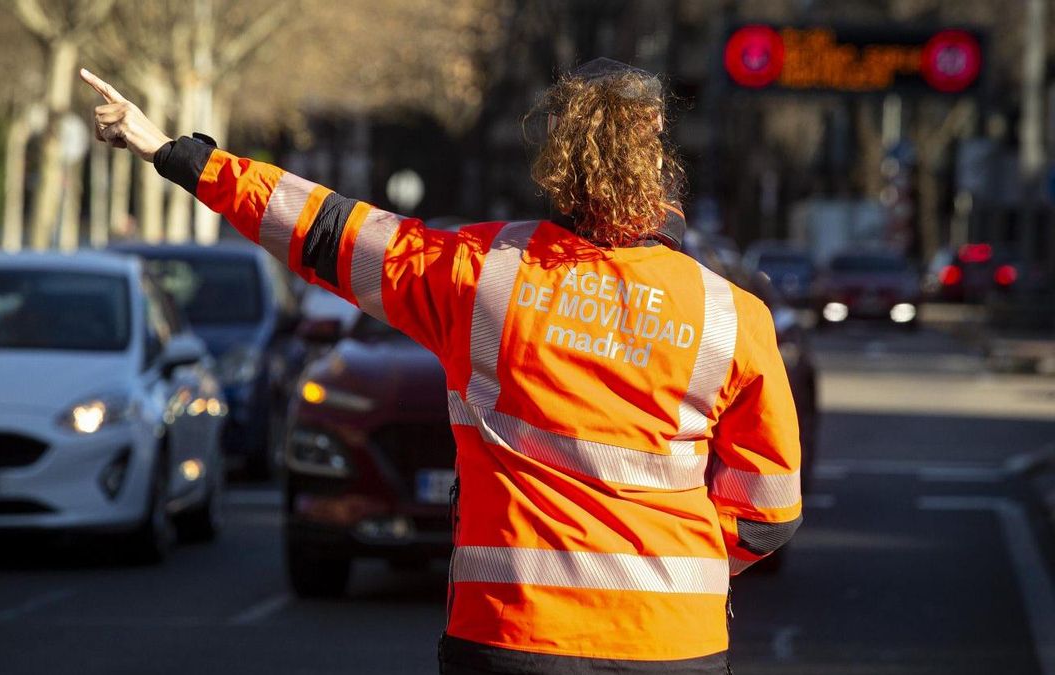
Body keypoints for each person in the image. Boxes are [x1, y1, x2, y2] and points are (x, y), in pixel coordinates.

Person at [81, 58, 802, 675]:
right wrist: (675, 566)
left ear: (557, 160)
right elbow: (768, 509)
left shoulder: (483, 274)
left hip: (514, 634)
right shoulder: (730, 315)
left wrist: (171, 151)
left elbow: (323, 229)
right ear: (660, 164)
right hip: (674, 642)